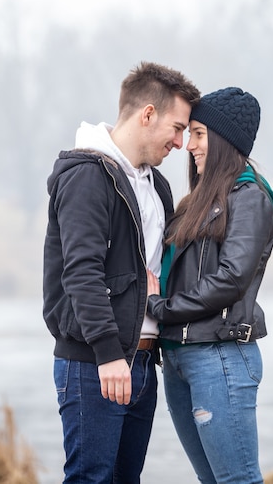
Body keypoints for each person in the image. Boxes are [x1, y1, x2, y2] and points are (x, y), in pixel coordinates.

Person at [42, 61, 200, 484]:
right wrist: (109, 354)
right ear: (147, 114)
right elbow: (81, 273)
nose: (181, 142)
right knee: (90, 479)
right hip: (98, 362)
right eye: (178, 127)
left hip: (144, 360)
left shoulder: (156, 185)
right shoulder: (87, 177)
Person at [147, 87, 273, 484]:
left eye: (199, 134)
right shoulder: (196, 202)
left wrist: (161, 308)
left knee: (237, 480)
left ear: (225, 141)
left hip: (219, 357)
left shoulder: (250, 199)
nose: (188, 145)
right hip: (178, 357)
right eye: (190, 134)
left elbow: (230, 279)